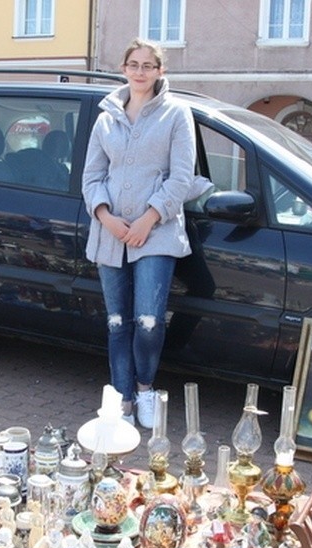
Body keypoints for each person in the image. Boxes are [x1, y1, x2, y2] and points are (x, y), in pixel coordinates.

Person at [82, 38, 197, 428]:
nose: (141, 71)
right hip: (109, 232)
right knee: (117, 322)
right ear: (124, 68)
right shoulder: (106, 118)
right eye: (134, 64)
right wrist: (105, 216)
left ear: (160, 71)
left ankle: (146, 388)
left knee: (148, 321)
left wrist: (149, 218)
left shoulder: (177, 114)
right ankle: (123, 402)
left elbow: (182, 177)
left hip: (157, 232)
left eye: (149, 65)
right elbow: (92, 176)